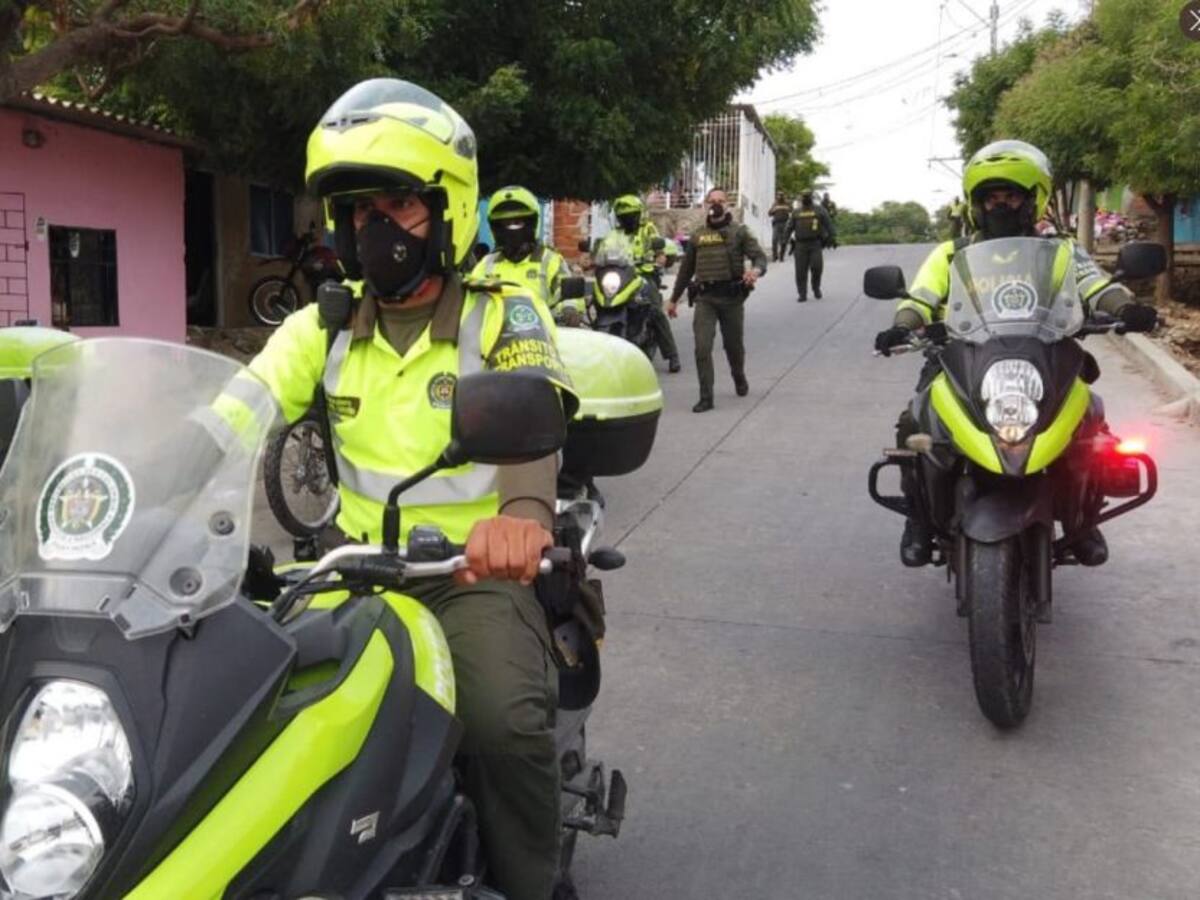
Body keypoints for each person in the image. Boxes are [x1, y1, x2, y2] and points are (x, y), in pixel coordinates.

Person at [247, 78, 578, 900]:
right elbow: (233, 411)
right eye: (360, 211)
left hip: (473, 575)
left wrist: (525, 519)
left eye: (399, 205)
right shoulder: (318, 327)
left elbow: (535, 417)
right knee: (261, 721)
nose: (377, 229)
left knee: (502, 724)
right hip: (348, 574)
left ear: (449, 211)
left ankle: (533, 882)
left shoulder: (503, 312)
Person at [874, 139, 1158, 568]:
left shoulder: (1063, 251)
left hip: (1045, 350)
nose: (1000, 205)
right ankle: (918, 516)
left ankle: (1085, 514)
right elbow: (920, 298)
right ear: (976, 204)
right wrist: (902, 325)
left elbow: (1099, 287)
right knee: (915, 421)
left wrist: (1125, 308)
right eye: (991, 197)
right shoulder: (950, 254)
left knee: (1091, 418)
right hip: (966, 352)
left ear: (1032, 201)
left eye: (1011, 196)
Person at [667, 188, 768, 413]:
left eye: (721, 201)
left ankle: (738, 376)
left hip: (731, 299)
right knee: (702, 348)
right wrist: (673, 299)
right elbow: (686, 270)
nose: (716, 205)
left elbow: (759, 257)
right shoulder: (697, 235)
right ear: (705, 205)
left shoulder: (739, 232)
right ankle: (706, 397)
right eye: (712, 201)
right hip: (706, 299)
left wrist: (756, 272)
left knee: (733, 347)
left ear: (728, 205)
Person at [472, 185, 571, 314]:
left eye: (517, 223)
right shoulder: (487, 264)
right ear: (496, 229)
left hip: (543, 330)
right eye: (507, 224)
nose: (512, 230)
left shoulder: (550, 260)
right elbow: (470, 298)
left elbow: (569, 294)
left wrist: (569, 309)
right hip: (495, 330)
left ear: (532, 224)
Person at [612, 194, 682, 372]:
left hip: (644, 275)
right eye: (623, 216)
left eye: (630, 215)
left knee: (654, 311)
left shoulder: (648, 229)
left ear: (638, 215)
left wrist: (659, 257)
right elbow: (604, 250)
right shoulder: (614, 234)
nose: (627, 219)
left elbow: (659, 250)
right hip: (621, 275)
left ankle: (672, 355)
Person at [786, 190, 835, 302]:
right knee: (800, 271)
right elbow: (789, 227)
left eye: (807, 196)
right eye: (804, 197)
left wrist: (832, 237)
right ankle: (802, 294)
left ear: (811, 197)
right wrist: (785, 240)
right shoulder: (796, 212)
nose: (805, 198)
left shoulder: (820, 210)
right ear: (801, 198)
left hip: (815, 244)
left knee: (817, 267)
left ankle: (816, 288)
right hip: (800, 245)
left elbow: (828, 224)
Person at [769, 191, 792, 262]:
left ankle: (781, 256)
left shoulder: (787, 203)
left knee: (783, 241)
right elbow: (769, 213)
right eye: (778, 195)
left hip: (785, 223)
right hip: (776, 224)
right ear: (777, 196)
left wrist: (788, 209)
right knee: (774, 240)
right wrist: (774, 210)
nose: (780, 197)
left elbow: (792, 210)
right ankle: (774, 256)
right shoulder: (775, 204)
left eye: (781, 195)